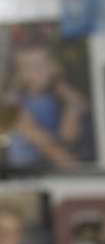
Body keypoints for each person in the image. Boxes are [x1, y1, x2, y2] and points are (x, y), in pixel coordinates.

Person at [3, 37, 93, 171]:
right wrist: (77, 169)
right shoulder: (16, 103)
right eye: (28, 67)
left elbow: (68, 137)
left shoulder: (59, 95)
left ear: (54, 66)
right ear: (20, 73)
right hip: (29, 170)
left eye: (42, 64)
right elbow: (48, 145)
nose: (37, 71)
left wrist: (72, 108)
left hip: (55, 165)